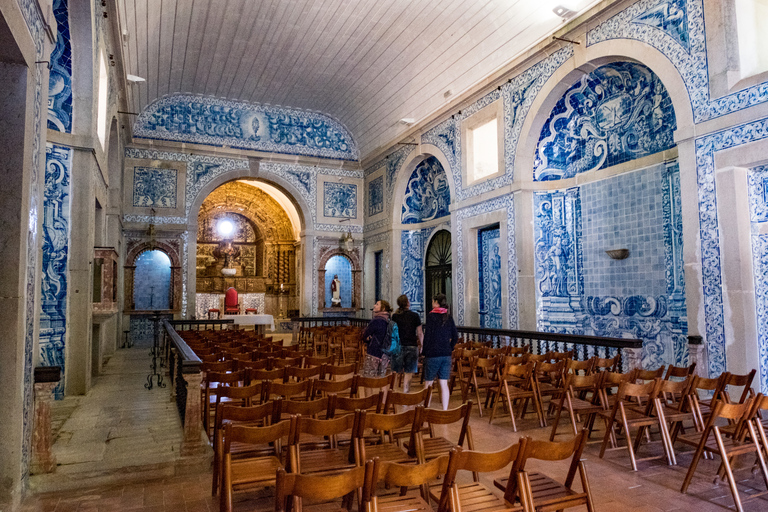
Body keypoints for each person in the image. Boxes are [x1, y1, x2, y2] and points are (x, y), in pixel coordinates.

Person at [422, 293, 458, 410]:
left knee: (429, 383)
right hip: (446, 354)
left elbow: (427, 336)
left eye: (433, 301)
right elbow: (455, 336)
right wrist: (450, 347)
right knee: (443, 383)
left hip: (433, 353)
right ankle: (445, 409)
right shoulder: (448, 316)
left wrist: (425, 351)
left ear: (435, 302)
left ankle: (426, 407)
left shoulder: (431, 317)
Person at [391, 295, 423, 393]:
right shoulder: (415, 316)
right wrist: (422, 345)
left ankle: (394, 392)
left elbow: (393, 331)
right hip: (412, 345)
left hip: (399, 346)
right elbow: (420, 332)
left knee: (395, 372)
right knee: (408, 372)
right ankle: (405, 392)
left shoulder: (395, 316)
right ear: (408, 303)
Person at [361, 300, 393, 384]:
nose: (374, 305)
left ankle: (371, 397)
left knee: (369, 379)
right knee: (381, 380)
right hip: (385, 354)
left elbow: (365, 335)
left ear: (383, 308)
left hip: (373, 353)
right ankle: (381, 396)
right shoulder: (389, 320)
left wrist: (368, 339)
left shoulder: (376, 321)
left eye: (377, 304)